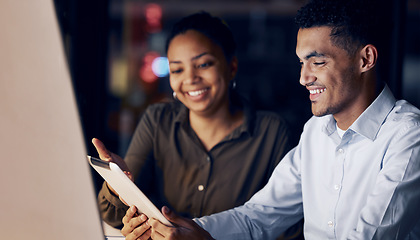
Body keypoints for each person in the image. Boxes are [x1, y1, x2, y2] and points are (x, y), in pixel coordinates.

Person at [144, 0, 420, 239]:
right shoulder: (316, 130)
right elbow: (260, 215)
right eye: (302, 62)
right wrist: (183, 229)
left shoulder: (412, 136)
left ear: (365, 59)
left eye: (318, 61)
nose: (303, 77)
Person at [93, 12, 300, 239]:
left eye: (203, 64)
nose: (190, 78)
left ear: (231, 67)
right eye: (177, 69)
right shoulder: (157, 119)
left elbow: (283, 228)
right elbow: (112, 217)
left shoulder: (271, 132)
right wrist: (119, 185)